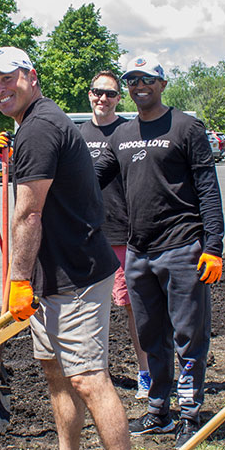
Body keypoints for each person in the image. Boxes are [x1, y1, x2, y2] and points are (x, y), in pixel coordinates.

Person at [0, 46, 152, 450]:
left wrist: (14, 280)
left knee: (87, 377)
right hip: (51, 277)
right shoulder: (37, 125)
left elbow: (28, 212)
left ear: (31, 76)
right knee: (56, 372)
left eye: (7, 79)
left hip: (74, 276)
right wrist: (29, 279)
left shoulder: (40, 127)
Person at [95, 56, 225, 449]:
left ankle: (190, 412)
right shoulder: (121, 135)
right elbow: (89, 177)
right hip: (139, 251)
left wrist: (214, 246)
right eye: (132, 80)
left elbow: (207, 187)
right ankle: (158, 411)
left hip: (184, 247)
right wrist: (21, 154)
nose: (139, 86)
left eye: (147, 80)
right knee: (151, 335)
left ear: (163, 84)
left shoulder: (186, 127)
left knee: (189, 334)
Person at [80, 70, 150, 400]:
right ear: (89, 94)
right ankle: (95, 376)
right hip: (89, 235)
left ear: (118, 97)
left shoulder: (128, 131)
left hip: (125, 232)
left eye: (110, 94)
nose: (103, 99)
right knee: (92, 309)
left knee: (134, 306)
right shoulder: (78, 134)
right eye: (98, 92)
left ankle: (146, 372)